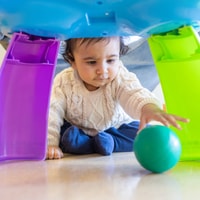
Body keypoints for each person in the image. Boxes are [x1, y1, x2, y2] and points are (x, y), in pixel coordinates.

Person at [46, 36, 189, 160]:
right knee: (65, 134)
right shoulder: (63, 81)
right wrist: (50, 143)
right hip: (78, 128)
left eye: (110, 60)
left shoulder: (119, 76)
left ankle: (111, 142)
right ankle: (88, 143)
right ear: (72, 60)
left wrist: (148, 108)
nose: (103, 70)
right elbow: (52, 112)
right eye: (91, 62)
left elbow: (133, 93)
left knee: (143, 133)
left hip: (116, 128)